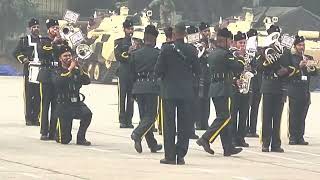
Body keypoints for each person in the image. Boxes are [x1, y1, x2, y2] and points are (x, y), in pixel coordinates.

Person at [155, 22, 200, 165]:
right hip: (186, 92)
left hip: (169, 91)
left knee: (169, 125)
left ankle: (169, 156)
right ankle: (180, 155)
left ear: (174, 34)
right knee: (184, 124)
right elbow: (198, 71)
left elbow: (158, 70)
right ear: (185, 34)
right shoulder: (192, 50)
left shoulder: (166, 50)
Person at [196, 28, 243, 156]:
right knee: (225, 117)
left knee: (223, 118)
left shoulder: (212, 53)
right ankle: (206, 138)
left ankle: (228, 147)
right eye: (230, 41)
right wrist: (240, 58)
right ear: (225, 40)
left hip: (214, 87)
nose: (231, 44)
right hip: (223, 88)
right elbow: (239, 67)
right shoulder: (225, 54)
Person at [259, 25, 296, 152]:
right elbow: (259, 68)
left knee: (277, 117)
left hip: (280, 86)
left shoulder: (285, 51)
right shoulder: (263, 50)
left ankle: (276, 143)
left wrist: (286, 70)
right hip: (268, 86)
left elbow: (293, 67)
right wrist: (267, 61)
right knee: (267, 116)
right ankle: (265, 142)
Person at [129, 25, 163, 153]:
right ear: (154, 39)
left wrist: (133, 89)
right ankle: (137, 134)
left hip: (138, 86)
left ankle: (152, 144)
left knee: (144, 117)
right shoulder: (158, 54)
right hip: (151, 87)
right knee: (151, 116)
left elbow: (131, 73)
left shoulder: (135, 54)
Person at [52, 45, 92, 146]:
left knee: (87, 114)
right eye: (65, 56)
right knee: (64, 140)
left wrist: (80, 68)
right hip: (63, 105)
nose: (68, 58)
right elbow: (59, 81)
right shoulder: (56, 70)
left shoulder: (76, 70)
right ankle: (58, 130)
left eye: (70, 55)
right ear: (60, 58)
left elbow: (87, 81)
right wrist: (70, 68)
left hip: (76, 103)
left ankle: (81, 138)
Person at [37, 19, 65, 140]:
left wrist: (64, 43)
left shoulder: (60, 41)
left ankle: (53, 131)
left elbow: (67, 54)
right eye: (53, 28)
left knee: (56, 104)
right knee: (45, 104)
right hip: (46, 74)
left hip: (57, 74)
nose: (56, 30)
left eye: (57, 28)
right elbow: (43, 51)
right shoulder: (43, 40)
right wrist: (54, 42)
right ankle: (44, 131)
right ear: (48, 29)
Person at [288, 35, 317, 145]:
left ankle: (300, 136)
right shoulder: (291, 58)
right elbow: (289, 73)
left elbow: (315, 73)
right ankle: (293, 136)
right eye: (299, 45)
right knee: (294, 114)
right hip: (294, 88)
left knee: (302, 114)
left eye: (303, 45)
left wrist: (311, 67)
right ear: (295, 46)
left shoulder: (308, 57)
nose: (302, 47)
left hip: (305, 89)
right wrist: (299, 66)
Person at [13, 18, 41, 126]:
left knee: (38, 95)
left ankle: (36, 117)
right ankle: (28, 118)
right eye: (34, 27)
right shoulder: (24, 40)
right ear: (29, 29)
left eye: (38, 27)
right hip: (29, 71)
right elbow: (15, 52)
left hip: (40, 71)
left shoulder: (43, 40)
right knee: (29, 95)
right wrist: (23, 59)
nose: (36, 29)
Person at [230, 31, 250, 147]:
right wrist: (234, 79)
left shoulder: (248, 55)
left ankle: (241, 137)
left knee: (244, 113)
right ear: (234, 43)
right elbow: (230, 69)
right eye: (240, 43)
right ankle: (232, 137)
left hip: (245, 87)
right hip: (234, 86)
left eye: (244, 43)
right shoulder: (232, 55)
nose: (242, 45)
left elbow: (254, 67)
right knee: (233, 113)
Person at [114, 19, 135, 128]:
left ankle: (129, 119)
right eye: (128, 29)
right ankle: (122, 119)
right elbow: (117, 56)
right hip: (123, 72)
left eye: (132, 29)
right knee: (122, 97)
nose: (131, 31)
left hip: (133, 73)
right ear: (124, 29)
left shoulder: (136, 42)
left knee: (131, 98)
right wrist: (128, 52)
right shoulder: (119, 42)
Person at [195, 22, 211, 130]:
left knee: (207, 100)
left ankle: (205, 121)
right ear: (200, 32)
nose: (207, 33)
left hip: (209, 75)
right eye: (205, 31)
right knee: (200, 100)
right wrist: (204, 50)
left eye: (208, 31)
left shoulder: (211, 43)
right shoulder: (198, 44)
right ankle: (199, 122)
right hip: (201, 74)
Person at [246, 29, 261, 138]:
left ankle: (252, 129)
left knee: (255, 107)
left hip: (258, 83)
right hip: (250, 83)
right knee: (247, 107)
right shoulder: (247, 52)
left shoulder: (260, 52)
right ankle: (246, 128)